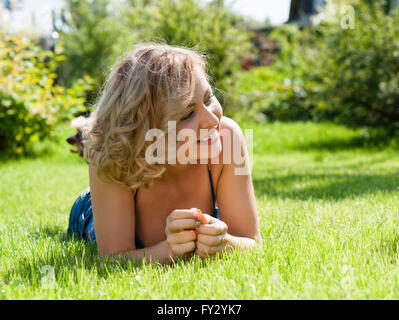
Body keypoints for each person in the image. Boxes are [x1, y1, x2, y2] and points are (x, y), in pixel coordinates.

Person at [68, 43, 262, 264]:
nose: (212, 119)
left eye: (208, 98)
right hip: (91, 210)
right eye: (188, 114)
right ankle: (89, 133)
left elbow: (252, 243)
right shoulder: (114, 158)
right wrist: (168, 250)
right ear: (146, 130)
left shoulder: (228, 137)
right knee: (104, 144)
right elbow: (113, 258)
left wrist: (224, 242)